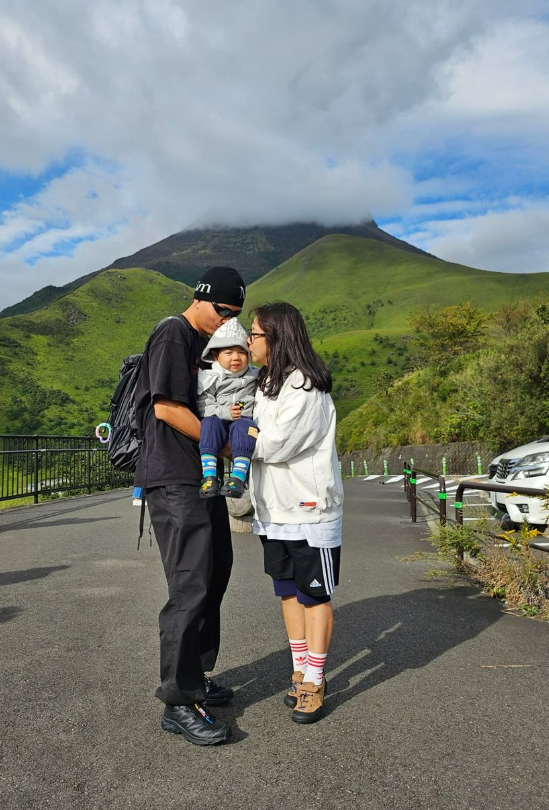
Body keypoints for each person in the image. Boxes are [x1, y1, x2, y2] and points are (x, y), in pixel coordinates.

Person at [133, 266, 246, 746]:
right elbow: (166, 408)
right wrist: (221, 447)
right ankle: (178, 701)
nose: (226, 321)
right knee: (190, 584)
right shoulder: (173, 332)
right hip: (174, 478)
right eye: (222, 310)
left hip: (199, 480)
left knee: (216, 571)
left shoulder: (200, 345)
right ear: (199, 299)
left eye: (235, 315)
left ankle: (197, 675)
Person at [247, 301, 344, 724]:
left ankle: (316, 679)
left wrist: (236, 437)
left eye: (254, 334)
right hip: (274, 509)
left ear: (276, 337)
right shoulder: (267, 383)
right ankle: (300, 669)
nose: (248, 342)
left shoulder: (304, 386)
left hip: (309, 510)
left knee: (313, 594)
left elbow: (275, 444)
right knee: (287, 591)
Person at [197, 319, 259, 499]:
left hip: (243, 421)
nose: (236, 358)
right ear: (216, 356)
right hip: (218, 421)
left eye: (242, 352)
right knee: (209, 423)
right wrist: (225, 412)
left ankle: (238, 478)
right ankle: (209, 476)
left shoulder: (255, 375)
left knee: (245, 427)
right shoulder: (211, 377)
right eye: (229, 352)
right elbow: (203, 405)